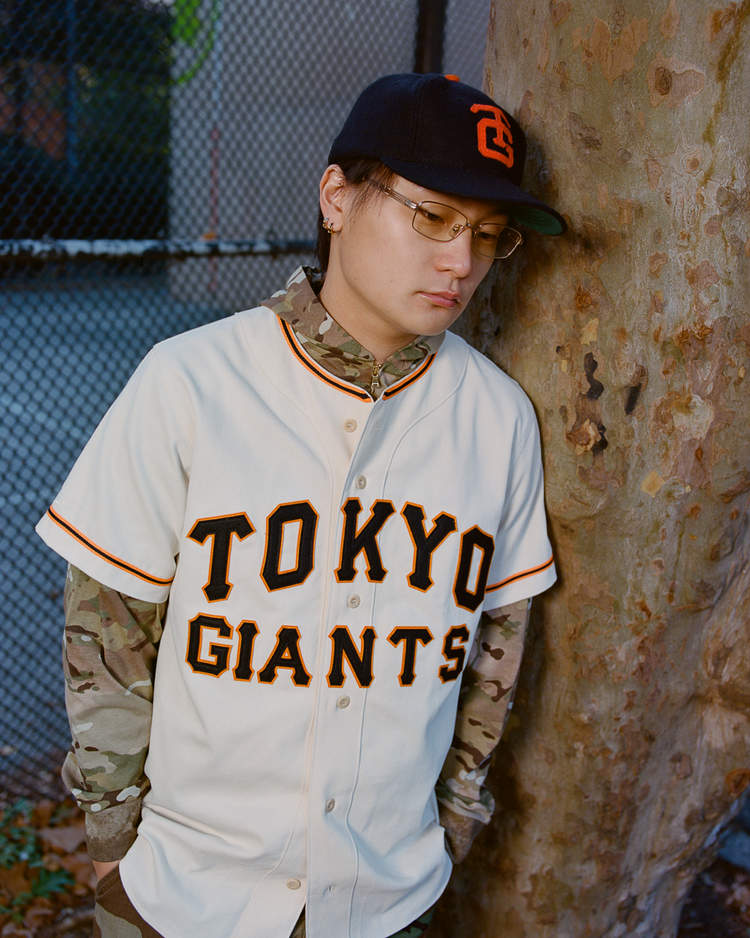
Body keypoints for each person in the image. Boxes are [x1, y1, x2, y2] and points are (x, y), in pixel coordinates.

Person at [36, 73, 566, 938]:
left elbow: (495, 656)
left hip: (389, 895)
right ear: (336, 197)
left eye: (488, 235)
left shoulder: (499, 417)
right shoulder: (191, 380)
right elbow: (109, 634)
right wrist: (112, 854)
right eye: (430, 215)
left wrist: (454, 823)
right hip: (185, 890)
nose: (460, 261)